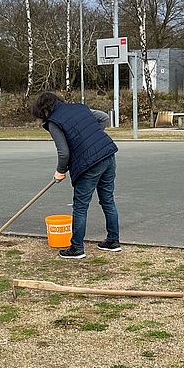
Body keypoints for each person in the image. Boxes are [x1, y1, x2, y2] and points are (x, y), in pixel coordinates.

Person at [31, 91, 120, 260]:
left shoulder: (53, 122)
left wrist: (60, 171)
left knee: (80, 207)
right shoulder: (80, 107)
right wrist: (90, 139)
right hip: (108, 154)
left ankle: (77, 248)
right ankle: (113, 241)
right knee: (108, 200)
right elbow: (103, 117)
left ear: (44, 110)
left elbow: (64, 152)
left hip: (89, 164)